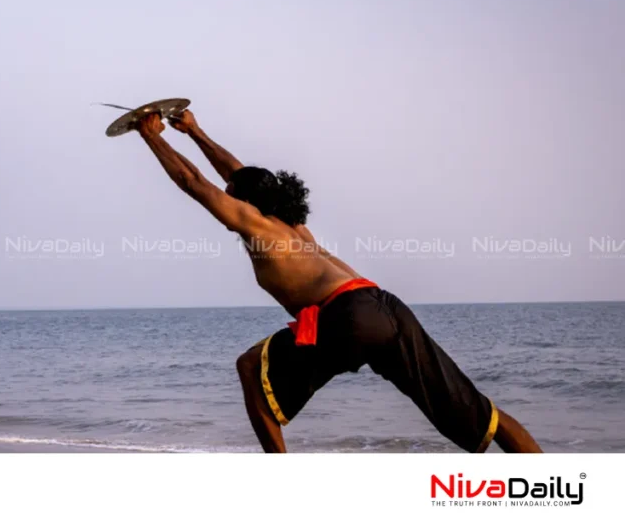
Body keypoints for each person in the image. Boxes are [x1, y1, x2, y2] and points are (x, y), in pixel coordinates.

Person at [132, 109, 542, 453]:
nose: (226, 192)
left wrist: (151, 136)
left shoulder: (255, 226)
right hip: (385, 306)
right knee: (476, 411)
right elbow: (242, 175)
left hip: (349, 315)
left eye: (231, 193)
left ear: (240, 199)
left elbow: (194, 183)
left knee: (250, 367)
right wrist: (196, 132)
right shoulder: (291, 222)